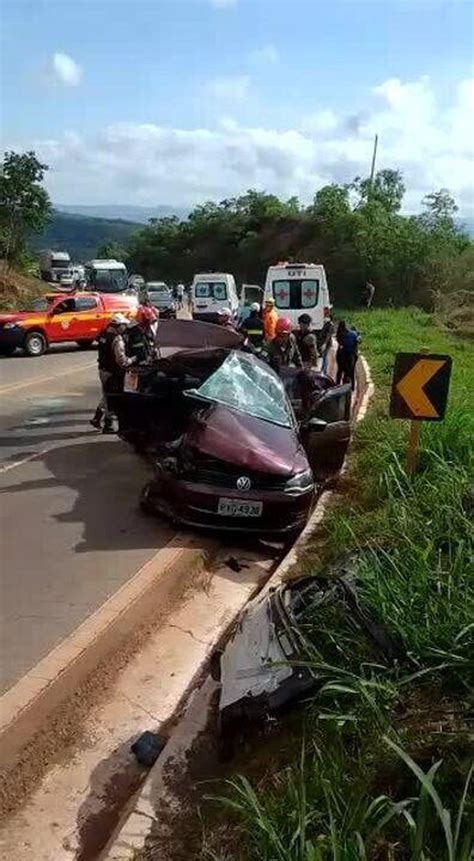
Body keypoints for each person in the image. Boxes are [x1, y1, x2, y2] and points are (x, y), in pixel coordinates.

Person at [90, 314, 138, 434]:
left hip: (102, 369)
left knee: (106, 395)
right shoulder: (116, 339)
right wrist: (133, 360)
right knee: (112, 396)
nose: (124, 328)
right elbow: (121, 360)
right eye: (122, 325)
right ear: (117, 325)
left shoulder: (103, 336)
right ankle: (108, 424)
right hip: (112, 372)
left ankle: (98, 418)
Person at [335, 320, 360, 390]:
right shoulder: (353, 334)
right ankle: (352, 387)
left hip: (341, 355)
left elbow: (340, 344)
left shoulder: (339, 335)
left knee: (339, 371)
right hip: (351, 355)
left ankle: (337, 385)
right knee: (351, 372)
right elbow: (357, 342)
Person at [318, 308, 334, 374]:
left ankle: (324, 371)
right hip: (323, 342)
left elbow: (328, 335)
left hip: (327, 343)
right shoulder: (324, 323)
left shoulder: (330, 324)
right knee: (323, 357)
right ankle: (323, 370)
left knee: (325, 357)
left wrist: (324, 344)